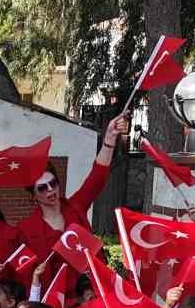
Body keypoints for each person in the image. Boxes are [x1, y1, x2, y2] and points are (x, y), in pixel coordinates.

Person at [15, 114, 129, 277]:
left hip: (91, 289)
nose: (50, 190)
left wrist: (109, 139)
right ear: (32, 196)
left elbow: (97, 176)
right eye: (42, 188)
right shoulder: (26, 229)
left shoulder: (76, 205)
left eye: (53, 183)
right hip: (55, 297)